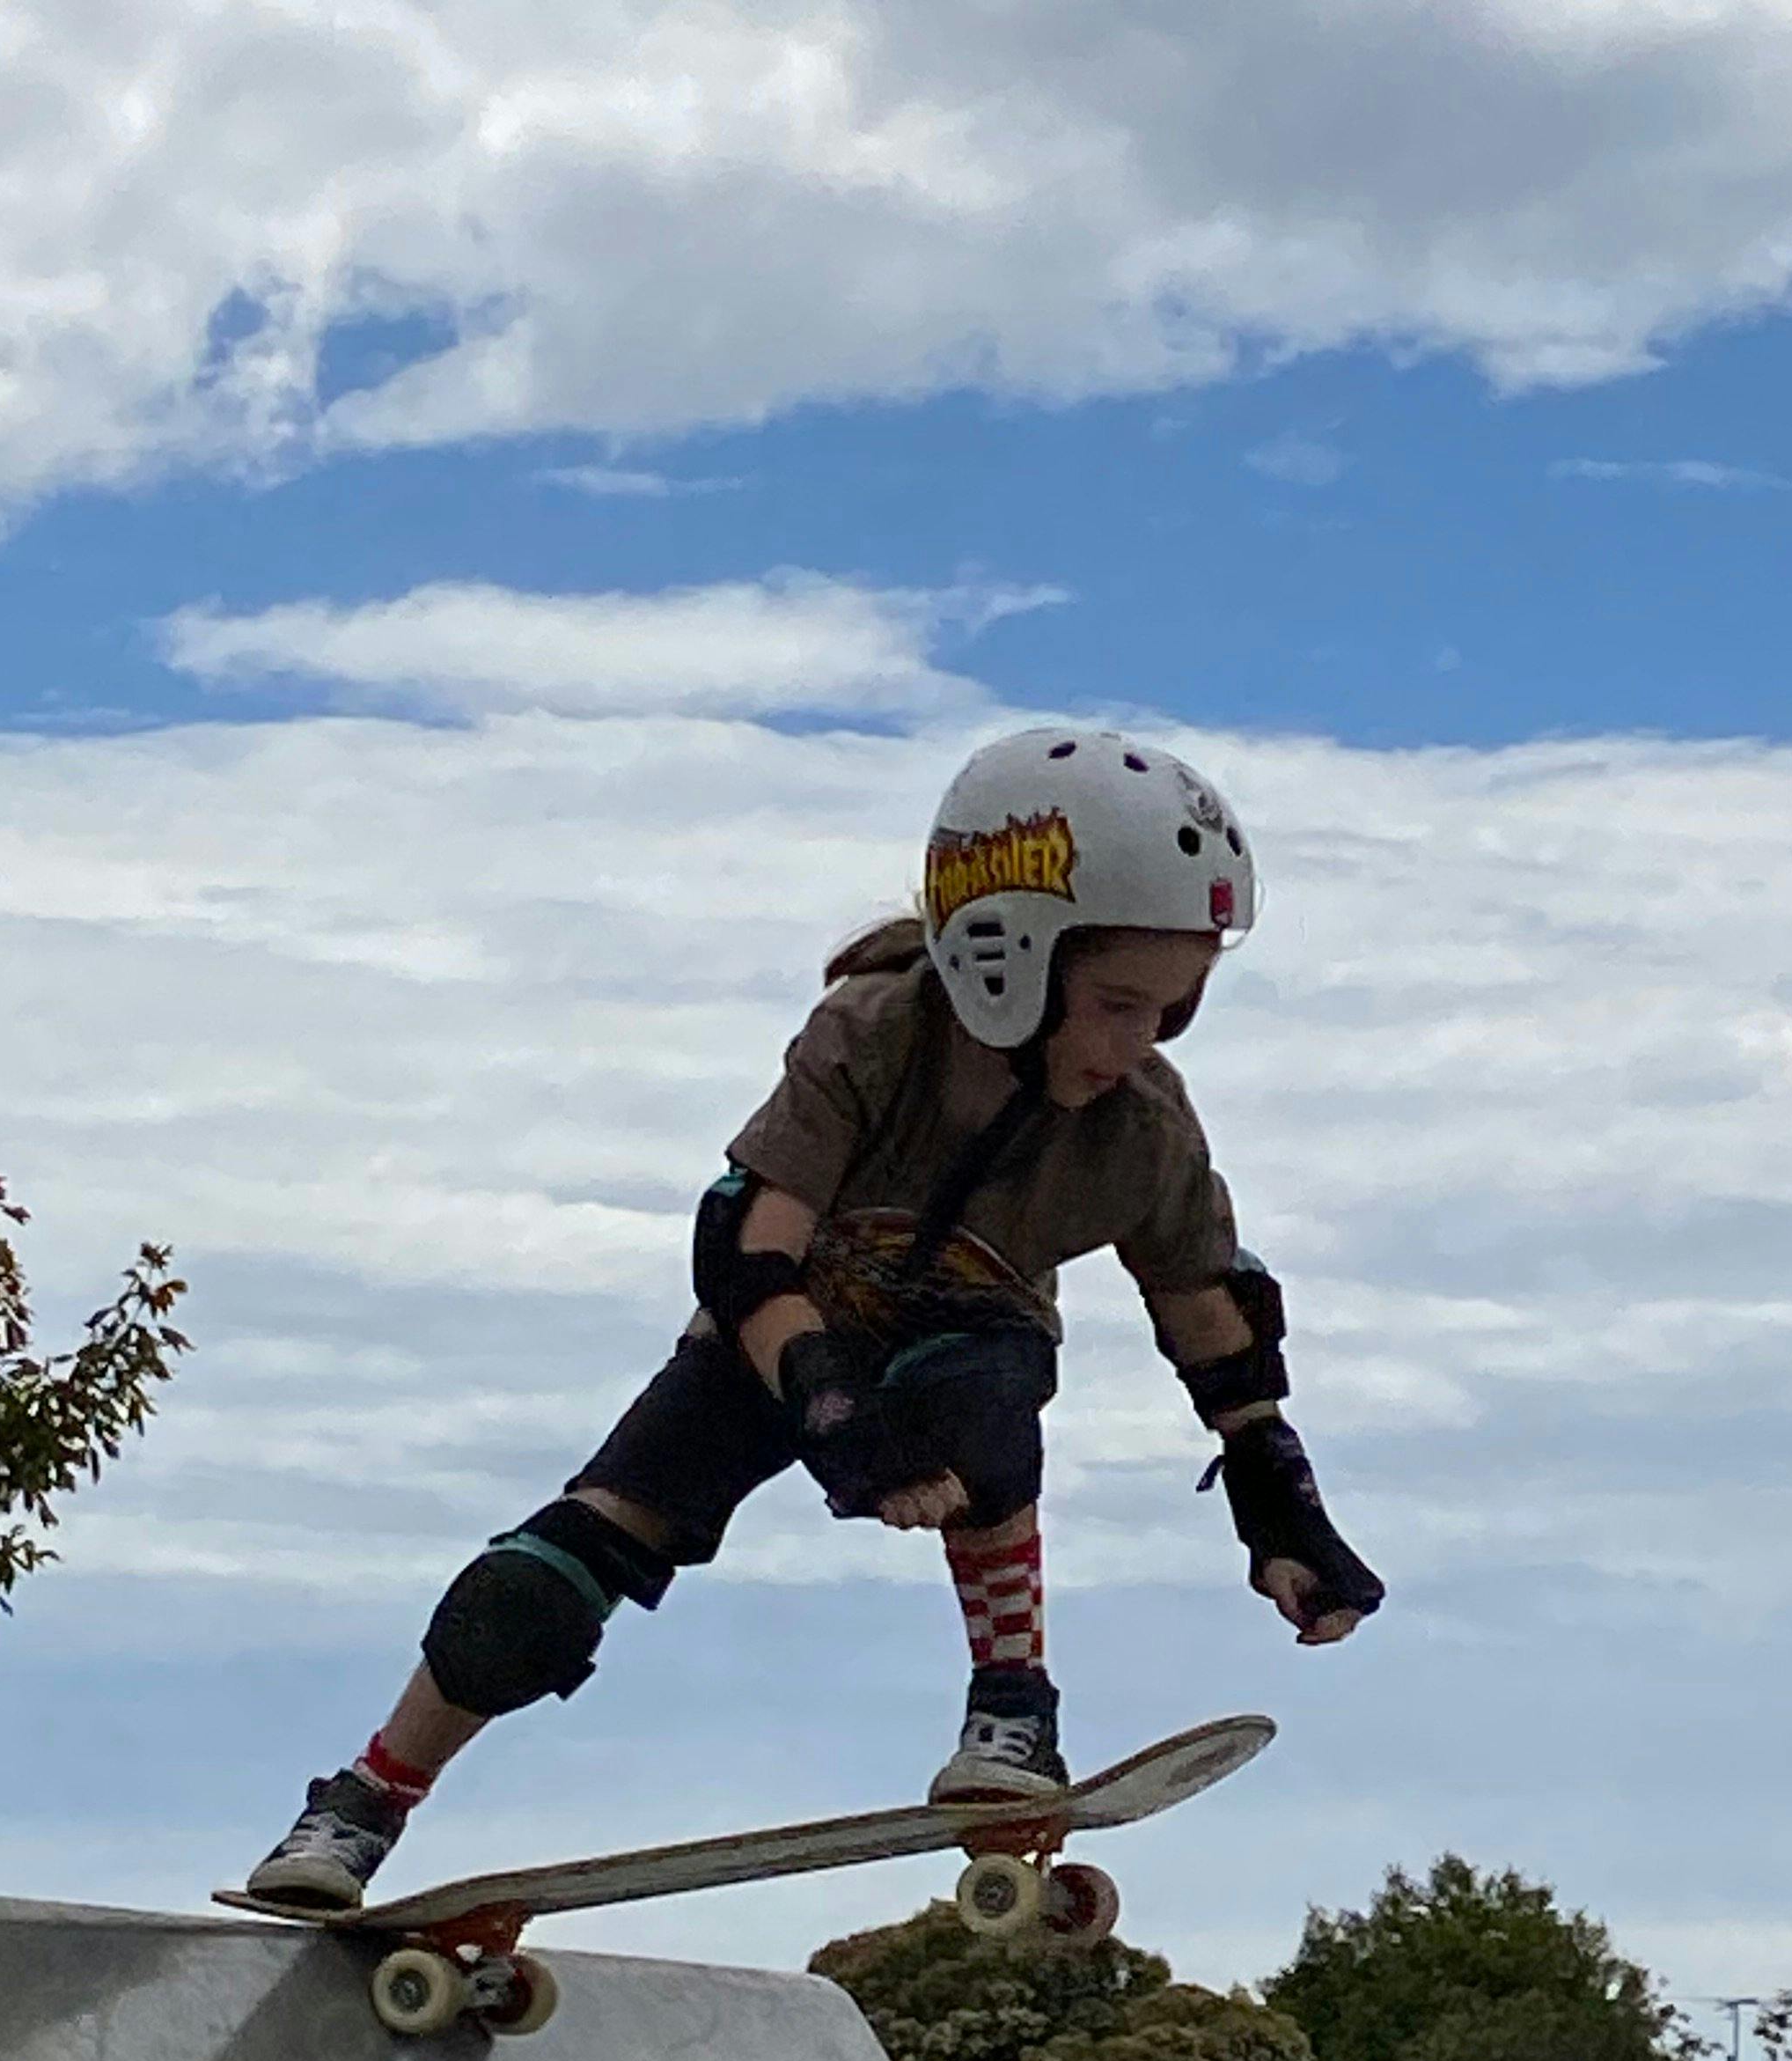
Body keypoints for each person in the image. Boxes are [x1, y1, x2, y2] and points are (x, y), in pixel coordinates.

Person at [238, 731, 1384, 1910]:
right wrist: (826, 1399)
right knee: (535, 1592)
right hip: (777, 1335)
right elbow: (744, 1246)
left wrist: (1271, 1485)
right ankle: (363, 1803)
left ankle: (1011, 1715)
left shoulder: (1139, 1120)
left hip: (968, 1338)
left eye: (1171, 1010)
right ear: (1008, 959)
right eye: (1117, 1003)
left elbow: (1211, 1311)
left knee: (979, 1414)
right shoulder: (877, 1034)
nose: (1137, 1042)